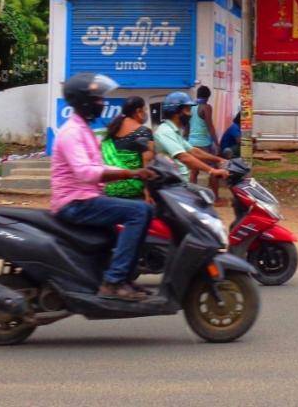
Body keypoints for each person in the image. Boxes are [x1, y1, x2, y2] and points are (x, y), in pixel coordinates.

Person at [51, 73, 156, 302]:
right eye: (98, 99)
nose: (102, 103)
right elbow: (85, 172)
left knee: (145, 211)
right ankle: (114, 282)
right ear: (84, 102)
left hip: (86, 198)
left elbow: (97, 166)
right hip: (75, 203)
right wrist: (130, 172)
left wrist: (136, 171)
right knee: (139, 211)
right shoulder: (71, 133)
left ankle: (123, 277)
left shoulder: (83, 129)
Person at [155, 91, 229, 186]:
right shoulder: (165, 131)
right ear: (176, 112)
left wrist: (219, 160)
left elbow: (193, 151)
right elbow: (183, 157)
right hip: (171, 185)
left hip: (179, 182)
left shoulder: (174, 131)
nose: (190, 114)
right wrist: (211, 170)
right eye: (187, 110)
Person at [101, 96, 154, 200]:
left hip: (110, 190)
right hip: (134, 192)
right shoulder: (143, 131)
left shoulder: (111, 131)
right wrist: (148, 193)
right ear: (139, 111)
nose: (145, 113)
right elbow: (148, 163)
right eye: (145, 110)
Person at [188, 86, 220, 194]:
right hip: (203, 145)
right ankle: (216, 198)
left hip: (191, 144)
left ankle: (192, 197)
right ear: (207, 97)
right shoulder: (206, 107)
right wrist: (217, 143)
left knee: (194, 171)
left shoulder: (191, 107)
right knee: (214, 169)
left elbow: (187, 127)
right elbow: (210, 127)